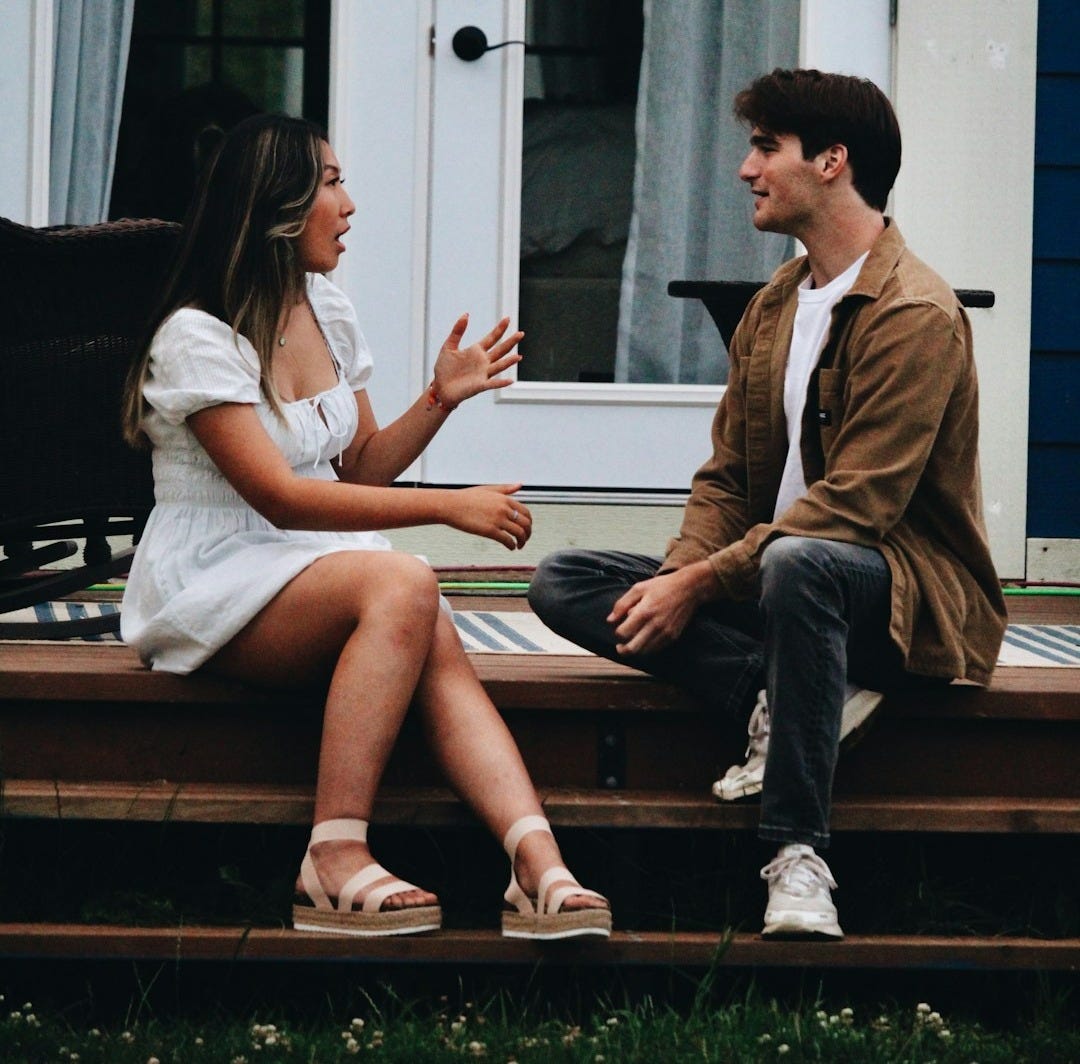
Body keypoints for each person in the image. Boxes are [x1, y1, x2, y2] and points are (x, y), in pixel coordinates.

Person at [529, 68, 1006, 939]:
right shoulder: (776, 306)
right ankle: (780, 692)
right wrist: (678, 578)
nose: (747, 170)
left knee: (800, 559)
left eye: (764, 148)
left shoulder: (914, 313)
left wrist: (701, 584)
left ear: (831, 161)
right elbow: (726, 480)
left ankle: (797, 856)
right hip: (782, 588)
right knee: (565, 580)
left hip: (903, 600)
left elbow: (856, 508)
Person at [120, 113, 610, 940]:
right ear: (277, 205)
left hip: (314, 564)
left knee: (427, 622)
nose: (349, 205)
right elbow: (281, 498)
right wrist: (447, 504)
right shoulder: (196, 337)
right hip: (215, 575)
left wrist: (439, 399)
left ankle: (538, 864)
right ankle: (334, 854)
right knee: (404, 581)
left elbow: (361, 470)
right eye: (332, 183)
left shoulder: (325, 309)